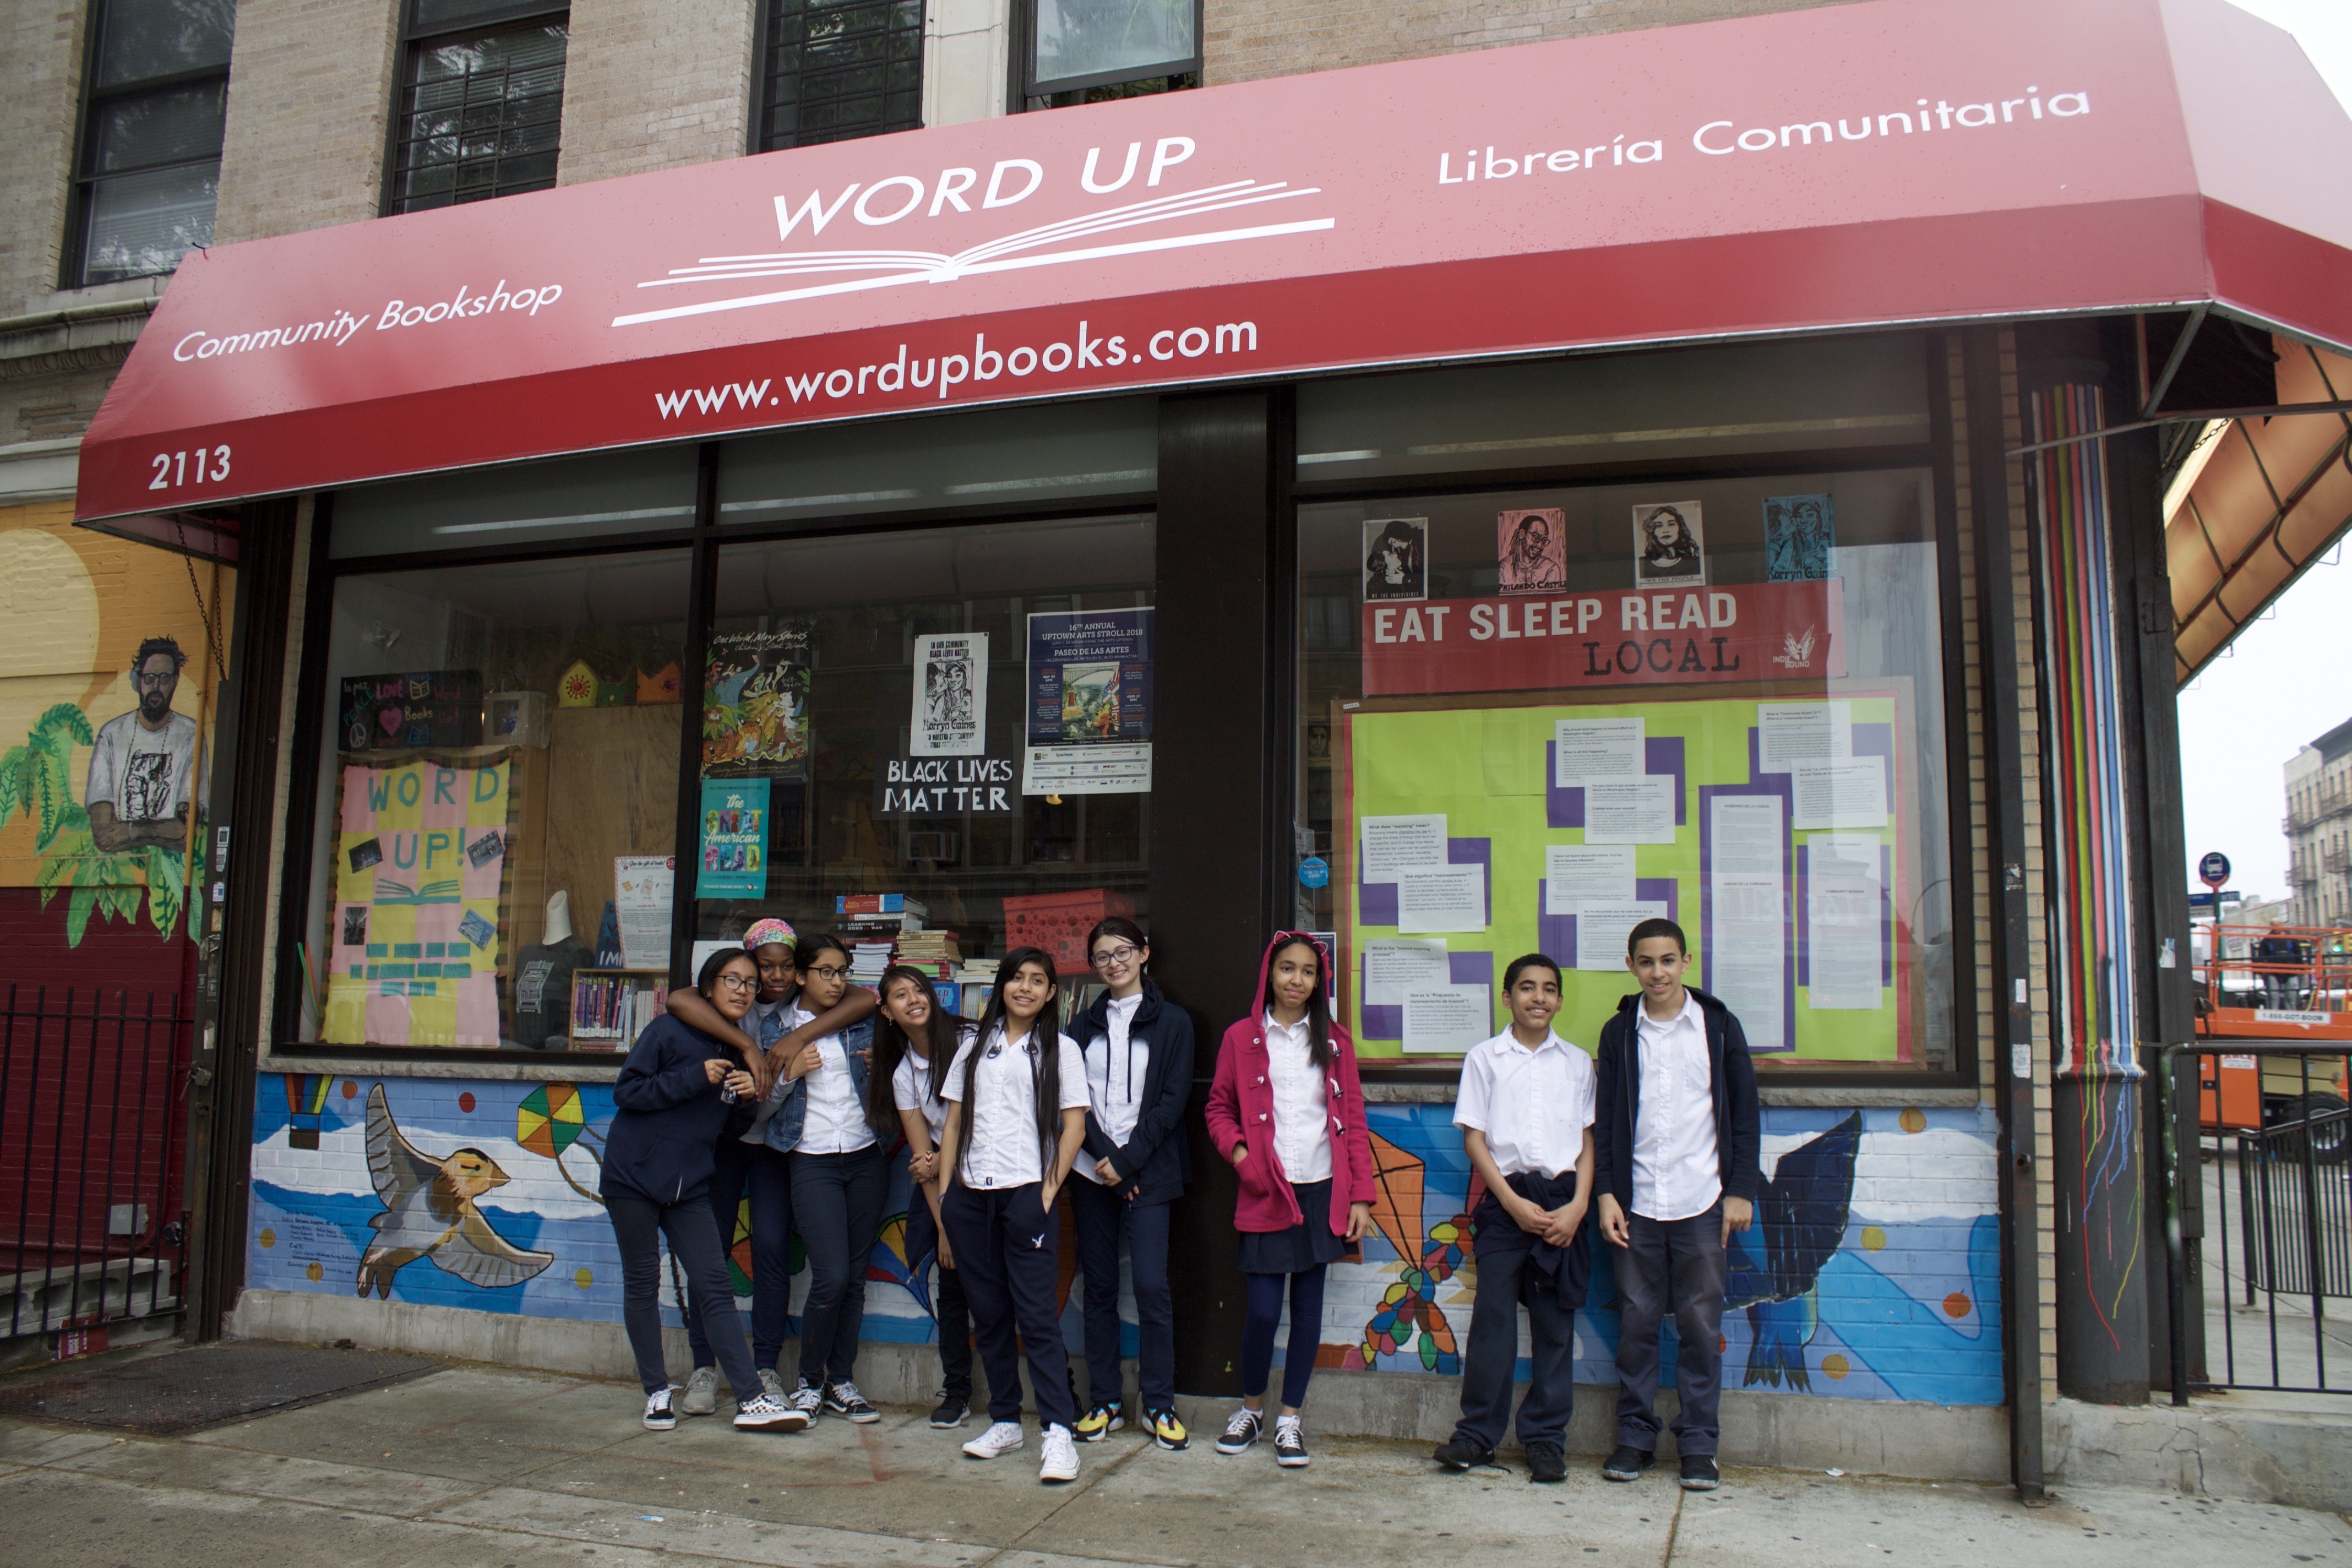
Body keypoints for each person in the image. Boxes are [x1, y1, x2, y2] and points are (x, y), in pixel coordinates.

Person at [665, 919, 874, 1416]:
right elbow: (678, 1000)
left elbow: (864, 997)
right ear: (746, 968)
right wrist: (747, 1047)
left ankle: (764, 1367)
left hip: (776, 1147)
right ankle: (704, 1367)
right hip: (725, 1142)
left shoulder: (799, 1008)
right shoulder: (732, 999)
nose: (775, 977)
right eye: (764, 968)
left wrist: (796, 1037)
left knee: (773, 1249)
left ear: (800, 973)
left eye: (786, 967)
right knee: (710, 1252)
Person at [599, 947, 805, 1433]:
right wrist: (693, 1077)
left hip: (690, 1184)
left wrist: (745, 1099)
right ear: (708, 987)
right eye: (732, 980)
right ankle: (655, 1392)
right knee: (642, 1282)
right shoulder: (668, 1032)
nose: (743, 990)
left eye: (751, 984)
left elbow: (731, 1130)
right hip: (633, 1178)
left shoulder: (737, 1050)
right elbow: (627, 1091)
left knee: (714, 1285)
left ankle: (752, 1400)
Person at [1593, 917, 1760, 1493]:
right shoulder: (1619, 1033)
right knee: (1636, 1325)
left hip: (1702, 1201)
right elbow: (1608, 1121)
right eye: (1646, 961)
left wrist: (1740, 1189)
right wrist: (1607, 1193)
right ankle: (1635, 1439)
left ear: (1686, 961)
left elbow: (1745, 1112)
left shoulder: (1716, 1027)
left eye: (1667, 960)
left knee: (1699, 1324)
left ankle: (1698, 1445)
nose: (1657, 971)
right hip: (1637, 1203)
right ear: (1631, 965)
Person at [1204, 933, 1375, 1469]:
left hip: (1323, 1190)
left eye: (1307, 971)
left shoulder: (1335, 1041)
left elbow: (1355, 1126)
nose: (1297, 979)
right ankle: (1251, 1408)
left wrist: (1362, 1197)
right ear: (1269, 974)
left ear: (1318, 981)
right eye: (1287, 968)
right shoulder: (1241, 1037)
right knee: (1260, 1311)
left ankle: (1289, 1419)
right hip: (1266, 1190)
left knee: (1307, 1313)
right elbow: (1218, 1107)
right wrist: (1241, 1157)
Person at [1432, 954, 1595, 1483]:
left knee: (1554, 1326)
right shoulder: (1486, 1058)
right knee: (1493, 1322)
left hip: (1562, 1204)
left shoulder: (1577, 1063)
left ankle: (1546, 1440)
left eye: (1549, 989)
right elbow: (1474, 1138)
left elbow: (1589, 1143)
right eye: (1527, 988)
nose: (1538, 998)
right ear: (1508, 997)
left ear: (1560, 1000)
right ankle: (1476, 1435)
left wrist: (1577, 1208)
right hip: (1506, 1203)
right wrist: (1510, 1202)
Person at [935, 947, 1091, 1484]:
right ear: (1002, 985)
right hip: (971, 1196)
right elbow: (953, 1123)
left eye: (1038, 981)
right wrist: (947, 1193)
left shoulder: (1062, 1050)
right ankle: (1005, 1419)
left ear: (1052, 993)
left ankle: (1058, 1432)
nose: (1025, 987)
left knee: (1037, 1317)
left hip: (1027, 1192)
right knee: (991, 1315)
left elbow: (1074, 1127)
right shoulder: (974, 1047)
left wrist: (1047, 1193)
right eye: (1017, 978)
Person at [1069, 917, 1196, 1450]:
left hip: (1151, 1172)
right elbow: (1072, 1100)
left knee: (1150, 1286)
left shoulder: (1173, 1022)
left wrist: (1130, 1162)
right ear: (1093, 966)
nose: (1114, 962)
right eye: (1102, 956)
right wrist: (1107, 1159)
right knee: (1098, 1288)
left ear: (1144, 953)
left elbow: (1172, 1100)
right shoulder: (1079, 1026)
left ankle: (1159, 1403)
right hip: (1091, 1171)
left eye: (1122, 951)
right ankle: (1105, 1401)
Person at [757, 932, 888, 1422]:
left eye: (842, 972)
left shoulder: (862, 1019)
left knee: (853, 1279)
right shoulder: (775, 1028)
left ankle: (842, 1380)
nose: (836, 982)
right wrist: (791, 1071)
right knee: (830, 1276)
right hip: (810, 1159)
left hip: (864, 1155)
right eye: (825, 972)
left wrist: (884, 1067)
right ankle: (810, 1381)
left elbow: (877, 1014)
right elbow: (763, 1099)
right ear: (800, 975)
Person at [872, 962, 977, 1429]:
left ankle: (1056, 1396)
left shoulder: (971, 1042)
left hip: (999, 1176)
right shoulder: (902, 1075)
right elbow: (923, 1162)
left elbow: (989, 1121)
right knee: (952, 1287)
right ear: (888, 1012)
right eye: (900, 995)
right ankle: (957, 1391)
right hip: (950, 1188)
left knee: (1017, 1291)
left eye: (919, 990)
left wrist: (939, 1161)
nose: (913, 999)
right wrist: (945, 1231)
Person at [88, 636, 199, 852]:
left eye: (165, 678)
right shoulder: (111, 734)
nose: (156, 687)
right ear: (138, 679)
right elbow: (103, 837)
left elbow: (185, 835)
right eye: (149, 678)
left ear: (176, 681)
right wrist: (162, 832)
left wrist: (131, 832)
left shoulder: (190, 735)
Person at [1635, 505, 1704, 585]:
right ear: (1652, 531)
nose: (1666, 530)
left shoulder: (1695, 564)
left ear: (1680, 528)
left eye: (1671, 524)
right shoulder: (1641, 565)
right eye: (1659, 526)